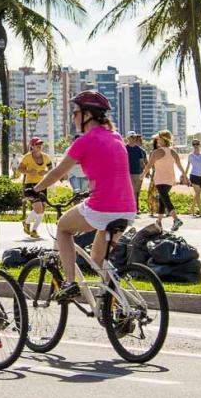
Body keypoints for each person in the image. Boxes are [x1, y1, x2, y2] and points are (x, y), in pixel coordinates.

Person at [27, 91, 137, 301]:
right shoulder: (116, 137)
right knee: (97, 257)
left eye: (76, 112)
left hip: (102, 207)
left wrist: (36, 189)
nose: (73, 117)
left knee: (63, 227)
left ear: (88, 115)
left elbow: (58, 172)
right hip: (127, 208)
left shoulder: (85, 141)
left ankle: (69, 282)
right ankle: (117, 304)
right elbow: (109, 172)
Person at [147, 130, 187, 232]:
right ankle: (159, 222)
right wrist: (185, 176)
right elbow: (180, 166)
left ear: (163, 139)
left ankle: (176, 219)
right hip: (170, 180)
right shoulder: (173, 152)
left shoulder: (157, 152)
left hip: (160, 179)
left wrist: (142, 175)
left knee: (165, 198)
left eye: (158, 138)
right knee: (162, 199)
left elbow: (149, 165)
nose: (157, 140)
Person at [18, 137, 53, 239]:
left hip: (42, 184)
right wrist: (29, 172)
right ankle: (27, 223)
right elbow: (20, 169)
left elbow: (51, 168)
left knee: (42, 210)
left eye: (40, 144)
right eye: (37, 144)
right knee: (38, 208)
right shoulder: (27, 157)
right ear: (32, 146)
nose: (39, 146)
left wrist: (45, 172)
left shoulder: (46, 157)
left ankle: (33, 229)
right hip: (30, 185)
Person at [125, 131, 148, 214]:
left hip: (138, 173)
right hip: (128, 173)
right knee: (132, 191)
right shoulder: (124, 148)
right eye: (132, 137)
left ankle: (135, 207)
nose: (134, 138)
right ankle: (134, 208)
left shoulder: (140, 150)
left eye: (134, 137)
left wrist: (146, 172)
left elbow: (142, 162)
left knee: (136, 191)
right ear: (128, 138)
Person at [186, 139, 201, 217]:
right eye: (194, 144)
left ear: (199, 144)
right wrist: (184, 176)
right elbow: (188, 166)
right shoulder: (190, 155)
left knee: (198, 194)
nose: (195, 145)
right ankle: (198, 210)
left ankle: (194, 209)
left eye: (197, 144)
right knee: (198, 193)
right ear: (192, 145)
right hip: (193, 176)